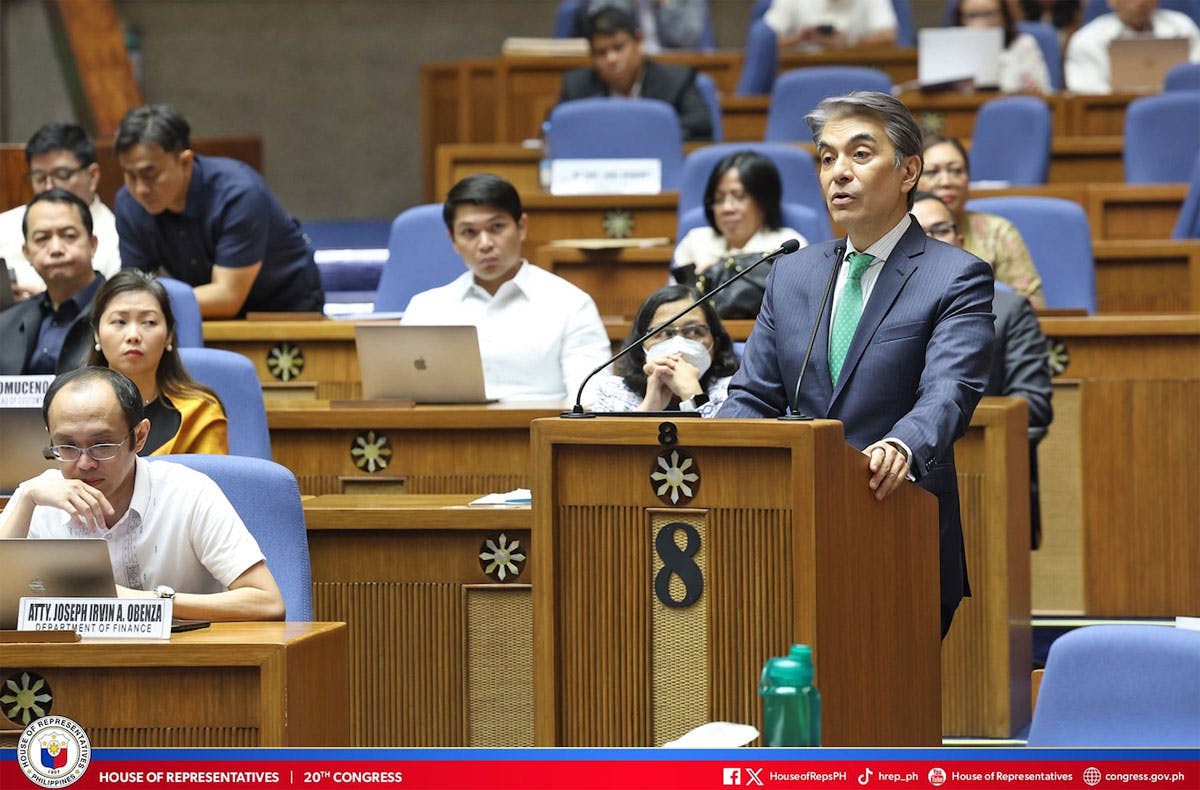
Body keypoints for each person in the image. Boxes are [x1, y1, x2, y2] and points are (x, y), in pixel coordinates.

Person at [718, 91, 996, 639]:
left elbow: (950, 390)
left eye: (860, 154)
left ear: (908, 170)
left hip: (896, 521)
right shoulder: (792, 274)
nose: (838, 174)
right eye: (827, 158)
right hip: (788, 527)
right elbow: (753, 396)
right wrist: (727, 453)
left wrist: (903, 445)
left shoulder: (956, 276)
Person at [0, 367, 284, 621]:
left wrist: (149, 603)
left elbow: (267, 601)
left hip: (185, 665)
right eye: (67, 447)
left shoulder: (190, 493)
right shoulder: (37, 497)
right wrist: (25, 498)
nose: (84, 463)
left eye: (102, 445)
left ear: (140, 437)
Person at [911, 190, 1052, 548]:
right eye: (916, 231)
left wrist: (944, 419)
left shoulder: (1009, 310)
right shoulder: (878, 314)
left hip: (988, 480)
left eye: (940, 230)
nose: (930, 241)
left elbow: (1033, 404)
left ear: (960, 241)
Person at [401, 174, 611, 404]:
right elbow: (405, 399)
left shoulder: (570, 304)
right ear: (453, 240)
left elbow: (592, 401)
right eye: (469, 232)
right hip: (450, 436)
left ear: (521, 227)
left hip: (538, 435)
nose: (485, 244)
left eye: (497, 227)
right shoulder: (426, 309)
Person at [114, 105, 324, 318]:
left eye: (150, 174)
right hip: (199, 314)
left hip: (284, 310)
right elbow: (134, 286)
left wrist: (143, 302)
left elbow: (226, 297)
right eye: (130, 175)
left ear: (185, 161)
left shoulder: (239, 193)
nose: (140, 189)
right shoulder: (129, 203)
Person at [87, 269, 229, 455]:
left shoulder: (199, 414)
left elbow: (209, 482)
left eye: (148, 322)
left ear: (169, 335)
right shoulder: (70, 409)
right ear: (97, 334)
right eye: (120, 322)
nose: (133, 336)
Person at [918, 135, 1045, 307]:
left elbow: (1032, 305)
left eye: (956, 171)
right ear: (912, 177)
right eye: (932, 172)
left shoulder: (998, 231)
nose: (946, 182)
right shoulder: (898, 231)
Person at [0, 123, 121, 301]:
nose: (49, 187)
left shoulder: (116, 236)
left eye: (62, 175)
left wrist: (44, 302)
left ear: (93, 176)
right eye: (39, 178)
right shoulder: (4, 224)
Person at [558, 4, 713, 141]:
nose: (611, 59)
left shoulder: (674, 81)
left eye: (618, 48)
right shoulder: (576, 87)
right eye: (601, 52)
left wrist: (634, 136)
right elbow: (556, 132)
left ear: (639, 41)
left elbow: (700, 126)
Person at [0, 190, 105, 375]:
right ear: (27, 253)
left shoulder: (120, 312)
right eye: (42, 238)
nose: (56, 249)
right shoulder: (6, 323)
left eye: (69, 235)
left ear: (93, 244)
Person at [592, 284, 739, 412]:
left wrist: (692, 394)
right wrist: (647, 410)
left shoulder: (734, 392)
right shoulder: (611, 393)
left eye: (694, 331)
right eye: (663, 333)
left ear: (715, 344)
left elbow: (724, 442)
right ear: (640, 344)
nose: (678, 345)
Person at [672, 150, 807, 277]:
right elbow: (674, 300)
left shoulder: (787, 248)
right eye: (719, 199)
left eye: (739, 196)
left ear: (764, 201)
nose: (727, 208)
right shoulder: (695, 242)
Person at [1064, 0, 1200, 93]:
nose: (1141, 1)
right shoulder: (1088, 39)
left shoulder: (1183, 27)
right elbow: (1085, 90)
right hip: (1113, 118)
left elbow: (1195, 76)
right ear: (1112, 1)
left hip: (1178, 112)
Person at [955, 0, 1053, 93]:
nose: (981, 22)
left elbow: (1046, 93)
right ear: (961, 19)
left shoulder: (1023, 45)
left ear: (1003, 16)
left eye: (988, 14)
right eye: (972, 15)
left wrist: (1034, 90)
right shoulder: (953, 51)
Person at [565, 0, 711, 52]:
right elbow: (600, 28)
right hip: (621, 67)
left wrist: (666, 4)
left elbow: (687, 39)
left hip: (673, 69)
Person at [762, 0, 899, 51]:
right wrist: (800, 39)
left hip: (857, 71)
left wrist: (850, 42)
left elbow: (889, 39)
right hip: (800, 71)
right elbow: (761, 43)